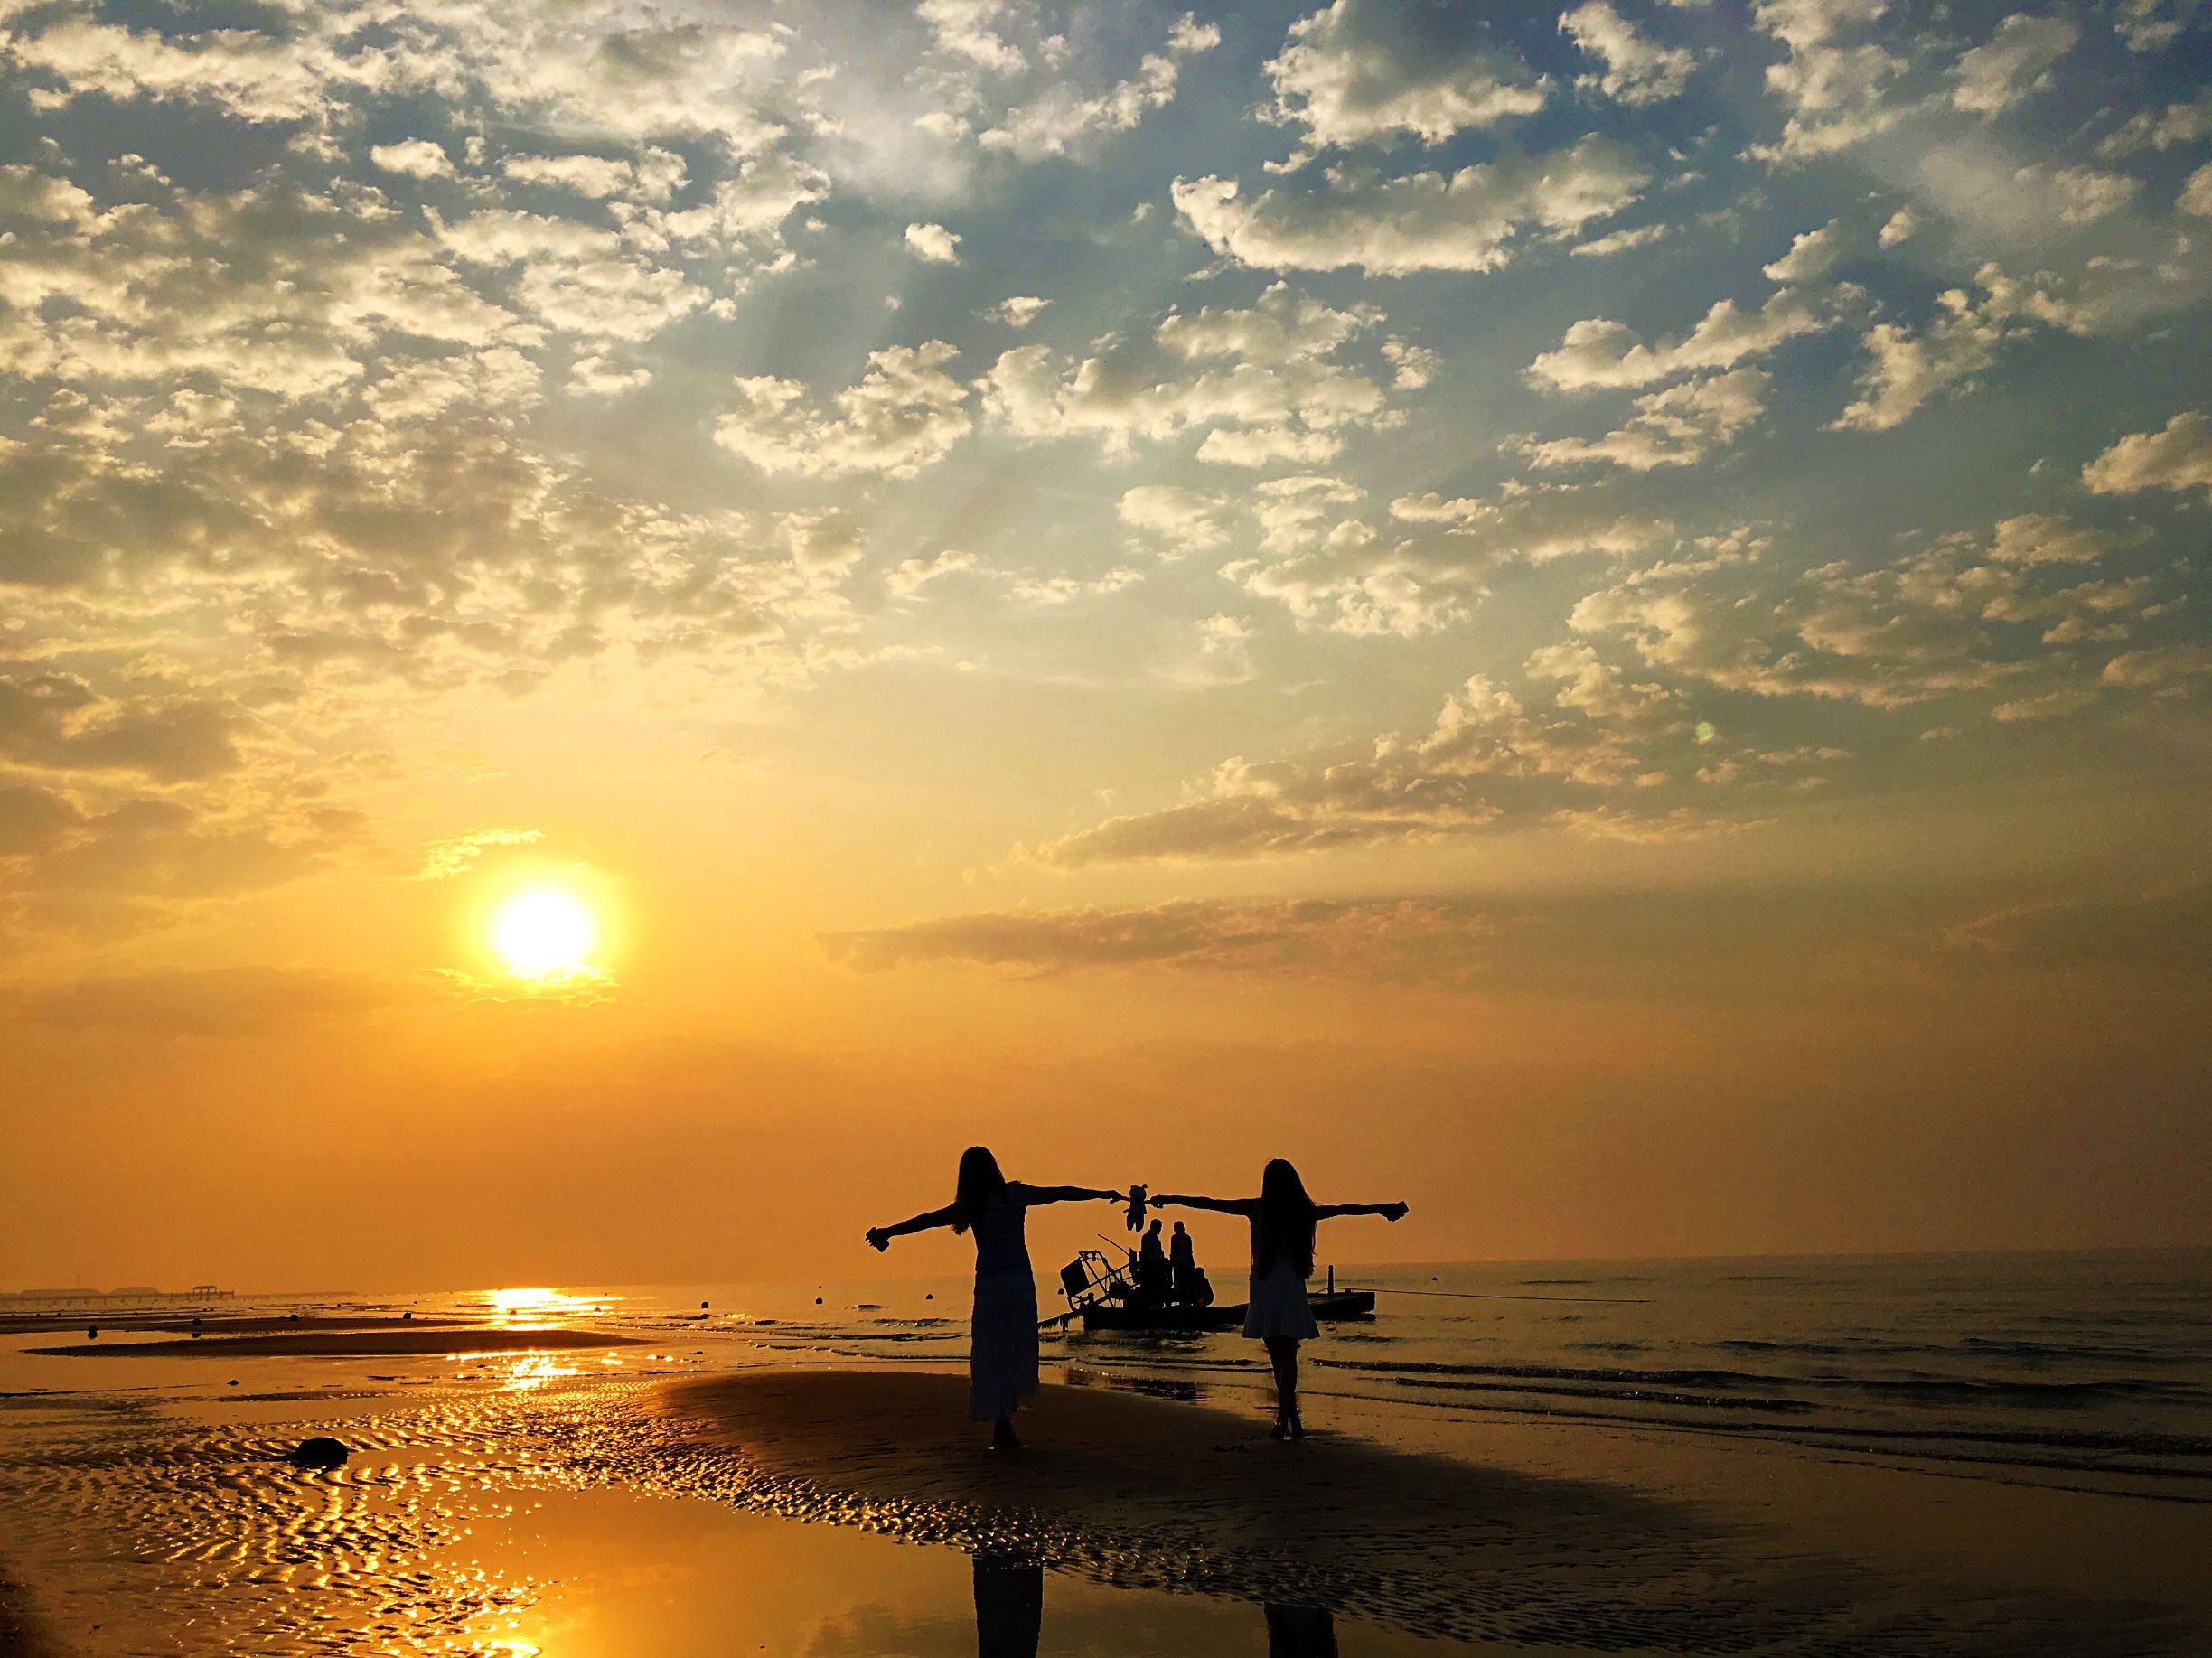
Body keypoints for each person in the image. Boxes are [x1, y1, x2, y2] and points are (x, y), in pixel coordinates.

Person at [866, 1147, 1120, 1449]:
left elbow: (926, 1220)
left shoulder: (972, 1205)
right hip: (1020, 1283)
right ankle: (1004, 1423)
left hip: (991, 1285)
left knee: (993, 1350)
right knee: (1015, 1347)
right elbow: (1061, 1193)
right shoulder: (1016, 1194)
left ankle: (1003, 1424)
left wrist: (888, 1232)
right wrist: (1101, 1193)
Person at [1152, 1160, 1406, 1439]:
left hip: (1264, 1285)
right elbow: (1345, 1210)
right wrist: (1383, 1209)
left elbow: (1210, 1203)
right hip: (1289, 1285)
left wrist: (1171, 1198)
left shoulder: (1257, 1208)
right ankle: (1290, 1417)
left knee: (1277, 1357)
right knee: (1287, 1356)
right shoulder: (1301, 1211)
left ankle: (1285, 1417)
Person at [1139, 1217, 1167, 1302]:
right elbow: (1145, 1252)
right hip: (1151, 1264)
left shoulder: (1156, 1239)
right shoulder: (1147, 1237)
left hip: (1156, 1263)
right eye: (1159, 1227)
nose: (1160, 1229)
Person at [1168, 1220, 1195, 1300]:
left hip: (1179, 1263)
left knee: (1179, 1283)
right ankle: (1186, 1299)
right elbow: (1190, 1251)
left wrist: (1172, 1262)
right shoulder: (1187, 1237)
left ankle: (1180, 1298)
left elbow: (1173, 1251)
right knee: (1187, 1282)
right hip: (1187, 1262)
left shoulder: (1174, 1237)